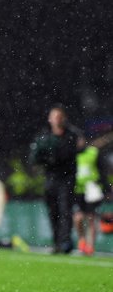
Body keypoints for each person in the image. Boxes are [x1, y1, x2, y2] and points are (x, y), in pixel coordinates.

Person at [29, 104, 83, 254]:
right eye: (54, 117)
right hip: (51, 178)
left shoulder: (72, 135)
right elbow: (35, 158)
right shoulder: (44, 137)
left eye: (59, 117)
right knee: (53, 211)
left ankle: (65, 242)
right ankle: (57, 241)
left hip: (67, 178)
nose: (57, 120)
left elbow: (75, 150)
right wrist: (47, 159)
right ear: (50, 119)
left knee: (65, 210)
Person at [73, 142, 109, 255]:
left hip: (92, 189)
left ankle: (90, 246)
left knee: (91, 218)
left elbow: (102, 170)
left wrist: (106, 187)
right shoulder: (72, 154)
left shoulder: (93, 152)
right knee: (78, 217)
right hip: (78, 190)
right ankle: (82, 239)